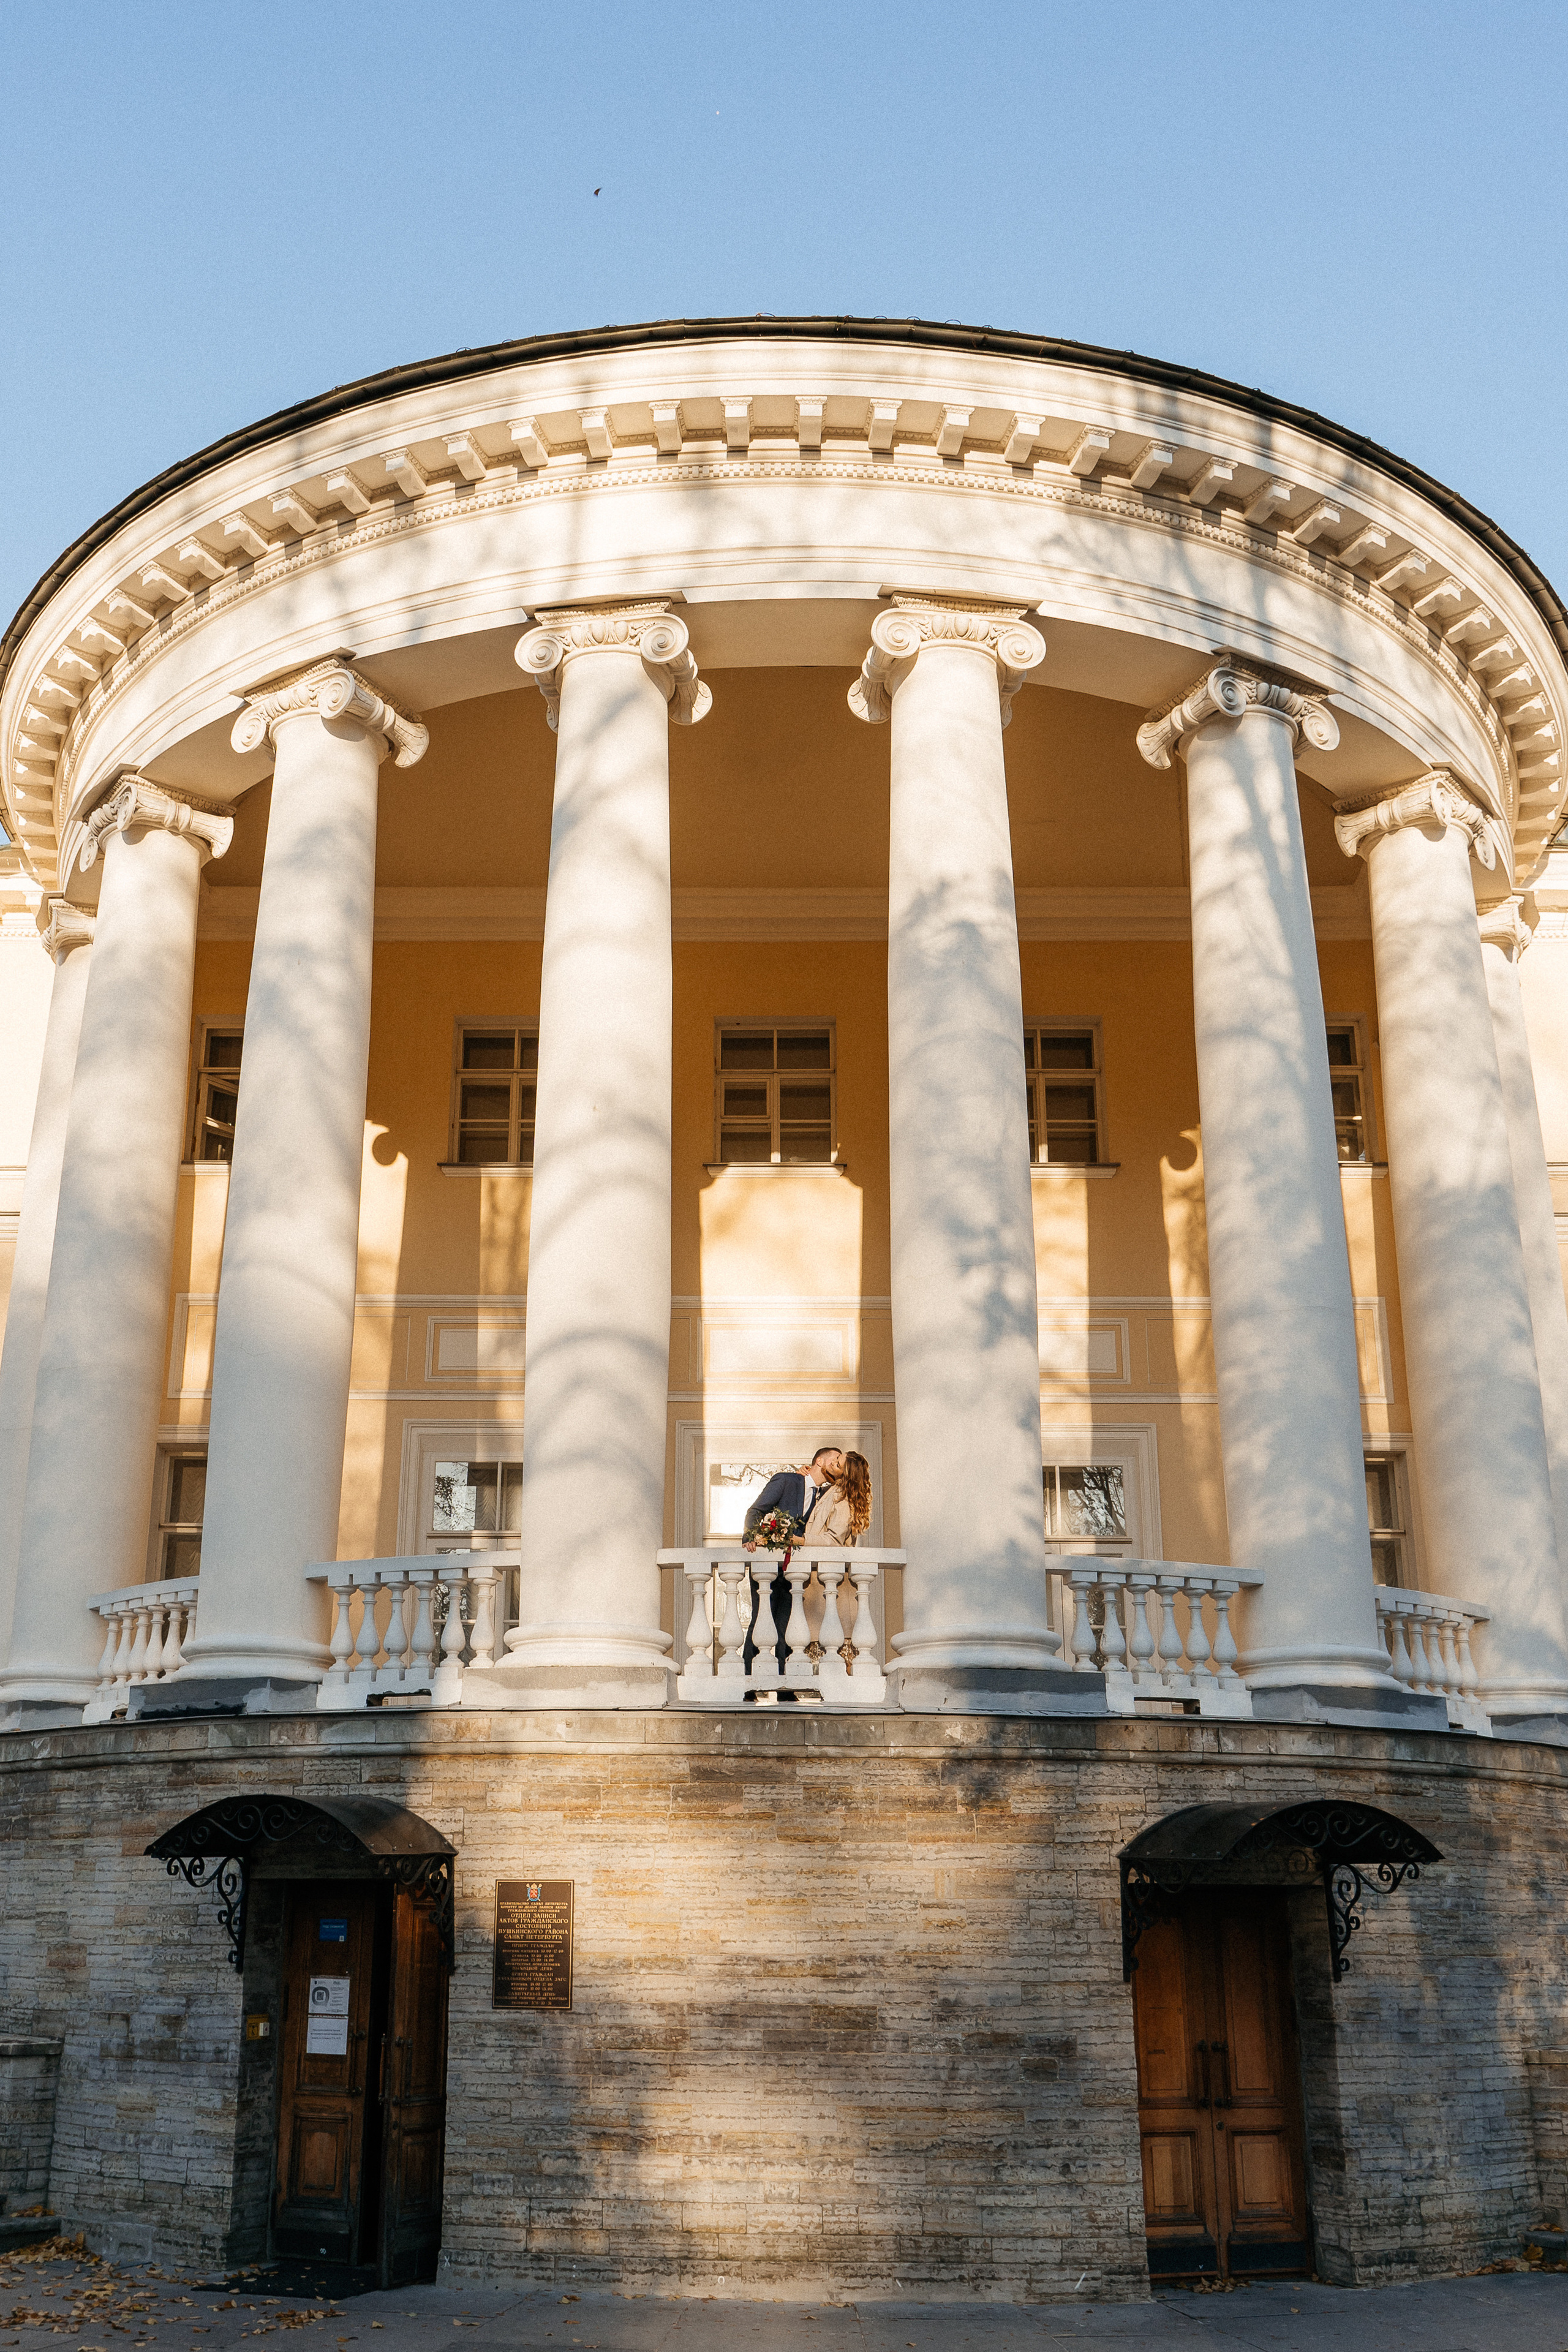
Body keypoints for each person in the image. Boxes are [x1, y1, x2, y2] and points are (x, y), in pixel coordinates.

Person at [741, 1446, 846, 1675]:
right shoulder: (787, 1481)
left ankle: (783, 1682)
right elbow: (756, 1510)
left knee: (786, 1624)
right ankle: (746, 1681)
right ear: (820, 1460)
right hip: (768, 1563)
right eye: (835, 1458)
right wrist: (750, 1536)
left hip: (795, 1569)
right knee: (761, 1618)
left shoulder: (828, 1493)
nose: (838, 1462)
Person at [802, 1450, 873, 1546]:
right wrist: (805, 1474)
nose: (833, 1462)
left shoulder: (844, 1500)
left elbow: (834, 1540)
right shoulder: (832, 1490)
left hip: (827, 1559)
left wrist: (799, 1541)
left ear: (845, 1476)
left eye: (838, 1465)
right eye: (837, 1458)